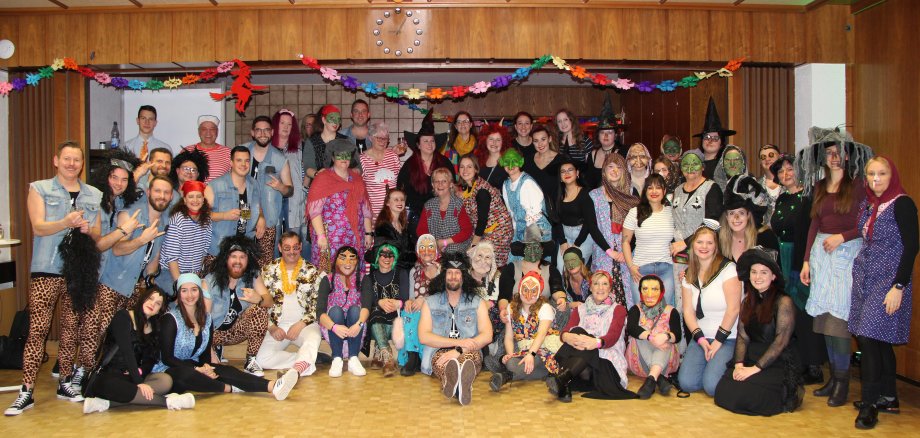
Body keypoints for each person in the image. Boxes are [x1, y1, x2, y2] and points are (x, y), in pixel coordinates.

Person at [5, 142, 104, 416]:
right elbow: (38, 226)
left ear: (82, 164)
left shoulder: (93, 193)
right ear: (56, 161)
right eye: (67, 159)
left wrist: (87, 229)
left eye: (77, 160)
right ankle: (26, 391)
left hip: (78, 270)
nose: (72, 164)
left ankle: (65, 382)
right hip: (46, 269)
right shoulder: (39, 188)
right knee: (37, 330)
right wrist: (66, 222)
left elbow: (96, 233)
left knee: (71, 329)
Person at [798, 127, 871, 408]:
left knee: (839, 322)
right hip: (821, 255)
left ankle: (843, 382)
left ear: (848, 156)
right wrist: (806, 260)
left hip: (847, 254)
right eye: (829, 153)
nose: (834, 158)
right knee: (825, 321)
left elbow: (866, 222)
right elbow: (814, 224)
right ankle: (832, 378)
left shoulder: (859, 185)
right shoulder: (818, 186)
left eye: (839, 153)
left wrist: (844, 237)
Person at [78, 176, 174, 390]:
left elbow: (154, 255)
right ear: (148, 192)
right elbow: (117, 249)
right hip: (111, 283)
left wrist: (150, 279)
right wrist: (142, 239)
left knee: (125, 335)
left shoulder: (164, 219)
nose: (162, 196)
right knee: (97, 329)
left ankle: (111, 376)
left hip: (132, 287)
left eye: (166, 192)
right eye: (157, 191)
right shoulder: (131, 214)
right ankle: (83, 375)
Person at [850, 156, 918, 429]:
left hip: (889, 280)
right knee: (877, 340)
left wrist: (899, 286)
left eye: (882, 173)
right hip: (866, 277)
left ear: (893, 175)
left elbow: (912, 246)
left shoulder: (902, 203)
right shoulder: (869, 203)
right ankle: (888, 396)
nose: (876, 179)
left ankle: (869, 406)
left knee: (867, 337)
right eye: (871, 174)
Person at [152, 274, 299, 399]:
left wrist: (206, 367)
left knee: (226, 370)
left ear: (200, 292)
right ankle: (229, 388)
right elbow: (167, 358)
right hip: (170, 369)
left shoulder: (206, 319)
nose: (190, 295)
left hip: (196, 367)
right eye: (184, 291)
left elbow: (203, 355)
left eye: (194, 290)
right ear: (178, 294)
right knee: (186, 374)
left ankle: (272, 386)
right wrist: (198, 370)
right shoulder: (170, 319)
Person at [715, 247, 804, 416]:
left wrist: (754, 369)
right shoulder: (748, 300)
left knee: (747, 397)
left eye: (764, 273)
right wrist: (739, 365)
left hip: (775, 361)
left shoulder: (784, 302)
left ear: (773, 276)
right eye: (754, 272)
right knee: (723, 392)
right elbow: (742, 336)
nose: (757, 277)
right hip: (751, 357)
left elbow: (780, 342)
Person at [82, 286, 196, 414]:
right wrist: (139, 382)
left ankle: (105, 403)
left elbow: (150, 360)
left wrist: (139, 372)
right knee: (115, 385)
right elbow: (127, 351)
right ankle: (169, 402)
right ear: (143, 299)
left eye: (158, 303)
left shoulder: (153, 328)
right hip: (108, 376)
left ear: (159, 310)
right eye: (150, 298)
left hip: (130, 377)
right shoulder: (123, 316)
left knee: (165, 380)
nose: (152, 304)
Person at [769, 154, 826, 386]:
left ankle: (814, 366)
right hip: (783, 258)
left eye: (789, 169)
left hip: (802, 258)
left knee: (805, 312)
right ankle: (798, 362)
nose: (785, 175)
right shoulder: (782, 199)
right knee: (789, 312)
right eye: (781, 172)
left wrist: (806, 261)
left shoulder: (810, 197)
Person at [418, 252, 492, 406]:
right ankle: (459, 386)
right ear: (443, 276)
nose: (453, 277)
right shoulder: (430, 302)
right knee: (445, 362)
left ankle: (452, 385)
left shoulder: (477, 302)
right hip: (439, 350)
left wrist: (459, 349)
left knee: (467, 362)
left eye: (457, 273)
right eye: (449, 273)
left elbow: (487, 335)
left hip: (468, 350)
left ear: (463, 277)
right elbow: (424, 337)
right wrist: (457, 343)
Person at [548, 271, 634, 402]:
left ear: (610, 288)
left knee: (585, 338)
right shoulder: (580, 309)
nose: (600, 288)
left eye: (604, 284)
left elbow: (613, 337)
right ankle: (563, 381)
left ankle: (562, 378)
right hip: (582, 369)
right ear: (590, 287)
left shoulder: (618, 310)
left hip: (605, 364)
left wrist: (595, 342)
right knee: (577, 330)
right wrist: (566, 337)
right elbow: (565, 331)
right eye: (596, 284)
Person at [678, 225, 742, 397]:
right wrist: (700, 339)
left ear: (716, 246)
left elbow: (734, 308)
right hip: (702, 337)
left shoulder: (729, 270)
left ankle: (730, 366)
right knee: (687, 383)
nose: (704, 247)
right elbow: (688, 311)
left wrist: (718, 341)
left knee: (712, 387)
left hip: (727, 337)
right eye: (699, 242)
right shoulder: (688, 274)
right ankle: (710, 366)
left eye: (709, 243)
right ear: (693, 245)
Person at [255, 231, 327, 377]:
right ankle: (305, 360)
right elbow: (259, 303)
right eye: (287, 248)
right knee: (261, 359)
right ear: (280, 248)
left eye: (295, 247)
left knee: (314, 337)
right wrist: (271, 327)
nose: (292, 252)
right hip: (277, 325)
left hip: (304, 325)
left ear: (301, 247)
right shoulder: (267, 271)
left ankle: (298, 369)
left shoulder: (312, 271)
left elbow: (318, 305)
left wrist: (301, 324)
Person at [205, 235, 272, 376]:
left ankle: (250, 361)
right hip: (213, 333)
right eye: (233, 256)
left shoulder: (252, 276)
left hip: (236, 330)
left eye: (242, 257)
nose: (238, 261)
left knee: (259, 310)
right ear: (226, 259)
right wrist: (209, 350)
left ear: (248, 260)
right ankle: (214, 348)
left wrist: (258, 299)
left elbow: (269, 301)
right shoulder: (210, 281)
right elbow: (202, 321)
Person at [306, 138, 373, 273]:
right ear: (332, 157)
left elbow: (365, 209)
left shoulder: (357, 178)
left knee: (352, 274)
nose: (344, 159)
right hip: (330, 239)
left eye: (347, 155)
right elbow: (314, 211)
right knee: (328, 276)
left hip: (354, 237)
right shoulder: (322, 178)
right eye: (339, 155)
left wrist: (368, 233)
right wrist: (321, 236)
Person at [490, 271, 561, 391]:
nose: (528, 294)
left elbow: (541, 334)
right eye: (525, 289)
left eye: (533, 291)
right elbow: (508, 336)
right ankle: (547, 375)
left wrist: (531, 354)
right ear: (519, 288)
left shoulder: (545, 307)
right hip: (523, 350)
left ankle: (507, 376)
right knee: (511, 363)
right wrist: (510, 354)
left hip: (545, 348)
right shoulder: (511, 307)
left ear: (538, 293)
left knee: (532, 361)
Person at [671, 150, 723, 309]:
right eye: (686, 164)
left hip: (702, 253)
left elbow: (712, 222)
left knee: (699, 298)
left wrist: (686, 242)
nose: (690, 167)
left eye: (695, 163)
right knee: (680, 300)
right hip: (678, 257)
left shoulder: (711, 188)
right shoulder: (677, 190)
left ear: (703, 167)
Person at [588, 153, 638, 307]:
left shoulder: (631, 193)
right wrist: (610, 251)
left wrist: (627, 251)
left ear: (624, 171)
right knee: (604, 293)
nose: (615, 171)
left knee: (630, 292)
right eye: (610, 167)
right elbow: (592, 227)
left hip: (627, 253)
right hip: (604, 251)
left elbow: (637, 225)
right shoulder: (594, 195)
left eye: (619, 167)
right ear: (604, 171)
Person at [203, 146, 265, 270]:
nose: (243, 164)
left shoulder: (254, 184)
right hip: (219, 250)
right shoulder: (215, 185)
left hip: (244, 249)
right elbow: (202, 215)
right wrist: (224, 215)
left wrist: (261, 217)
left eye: (247, 161)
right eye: (239, 160)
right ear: (231, 163)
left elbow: (257, 206)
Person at [317, 246, 373, 377]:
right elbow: (320, 312)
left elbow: (366, 306)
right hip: (333, 327)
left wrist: (359, 324)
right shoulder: (327, 280)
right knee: (336, 310)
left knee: (355, 309)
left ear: (357, 262)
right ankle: (337, 358)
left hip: (356, 326)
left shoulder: (364, 279)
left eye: (352, 259)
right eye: (343, 258)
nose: (347, 263)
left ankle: (353, 358)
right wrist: (334, 327)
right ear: (336, 260)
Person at [622, 174, 676, 307]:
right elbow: (625, 242)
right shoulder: (634, 212)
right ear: (645, 191)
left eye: (658, 188)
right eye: (650, 188)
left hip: (666, 269)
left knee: (665, 313)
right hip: (640, 270)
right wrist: (630, 267)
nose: (654, 191)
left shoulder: (671, 212)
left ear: (664, 191)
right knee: (641, 313)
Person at [247, 115, 294, 266]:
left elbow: (289, 190)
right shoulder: (242, 154)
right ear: (252, 133)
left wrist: (280, 187)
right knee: (242, 260)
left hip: (269, 221)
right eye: (259, 130)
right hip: (243, 215)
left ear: (272, 132)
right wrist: (257, 215)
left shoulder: (279, 158)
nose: (262, 134)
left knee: (265, 265)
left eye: (266, 130)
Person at [626, 274, 681, 400]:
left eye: (654, 289)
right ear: (640, 291)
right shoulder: (635, 309)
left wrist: (666, 336)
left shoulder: (671, 311)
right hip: (638, 361)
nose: (649, 294)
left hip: (667, 362)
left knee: (665, 338)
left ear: (662, 291)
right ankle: (658, 377)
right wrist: (651, 338)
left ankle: (651, 380)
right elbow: (631, 329)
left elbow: (677, 336)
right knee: (642, 332)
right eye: (645, 289)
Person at [398, 111, 453, 234]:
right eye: (426, 141)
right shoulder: (409, 165)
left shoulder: (444, 163)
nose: (430, 144)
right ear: (418, 144)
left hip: (442, 217)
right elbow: (401, 191)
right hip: (416, 219)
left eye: (432, 141)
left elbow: (452, 188)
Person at [363, 241, 410, 377]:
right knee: (376, 315)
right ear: (378, 257)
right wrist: (379, 302)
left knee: (391, 318)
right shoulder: (369, 278)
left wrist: (397, 303)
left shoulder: (401, 274)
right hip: (374, 322)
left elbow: (405, 298)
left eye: (390, 255)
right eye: (383, 255)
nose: (387, 258)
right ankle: (388, 357)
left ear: (394, 258)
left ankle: (379, 350)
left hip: (395, 322)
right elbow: (366, 301)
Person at [457, 155, 513, 266]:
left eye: (469, 167)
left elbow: (482, 221)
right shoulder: (468, 187)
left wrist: (473, 245)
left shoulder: (482, 190)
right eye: (462, 167)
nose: (465, 170)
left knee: (477, 258)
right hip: (484, 231)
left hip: (498, 233)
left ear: (476, 169)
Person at [158, 181, 212, 292]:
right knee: (182, 299)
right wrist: (180, 285)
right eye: (191, 196)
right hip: (170, 272)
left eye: (199, 196)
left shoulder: (207, 221)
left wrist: (195, 277)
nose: (195, 200)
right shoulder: (178, 219)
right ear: (185, 200)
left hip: (191, 274)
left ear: (203, 199)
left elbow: (203, 251)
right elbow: (172, 257)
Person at [398, 234, 441, 375]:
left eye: (430, 247)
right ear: (418, 251)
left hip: (438, 310)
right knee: (409, 311)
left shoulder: (443, 270)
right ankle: (412, 355)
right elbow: (412, 295)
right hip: (417, 311)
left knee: (419, 312)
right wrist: (410, 301)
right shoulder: (414, 271)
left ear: (435, 250)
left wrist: (425, 300)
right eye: (422, 247)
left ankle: (419, 356)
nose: (427, 251)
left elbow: (445, 296)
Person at [271, 109, 309, 258]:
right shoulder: (266, 148)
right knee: (274, 242)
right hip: (272, 203)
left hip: (297, 203)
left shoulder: (301, 148)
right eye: (282, 123)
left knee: (298, 242)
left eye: (290, 124)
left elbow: (307, 175)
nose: (286, 127)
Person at [502, 148, 552, 249]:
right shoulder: (506, 184)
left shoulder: (527, 183)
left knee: (530, 260)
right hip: (520, 229)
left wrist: (527, 241)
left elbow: (534, 215)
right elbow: (511, 212)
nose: (510, 165)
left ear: (520, 162)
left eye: (514, 161)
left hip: (537, 230)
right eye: (507, 162)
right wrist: (515, 232)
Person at [556, 160, 600, 272]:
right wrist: (562, 242)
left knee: (577, 271)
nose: (567, 173)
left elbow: (588, 223)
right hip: (565, 236)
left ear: (577, 173)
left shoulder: (586, 194)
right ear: (560, 177)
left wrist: (577, 244)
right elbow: (556, 220)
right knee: (561, 269)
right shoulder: (558, 194)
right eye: (563, 171)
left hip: (583, 236)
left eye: (570, 170)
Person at [467, 241, 504, 371]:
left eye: (487, 257)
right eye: (480, 256)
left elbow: (493, 299)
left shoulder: (496, 276)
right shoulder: (464, 276)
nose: (483, 261)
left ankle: (487, 349)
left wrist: (483, 306)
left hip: (488, 312)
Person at [418, 168, 473, 254]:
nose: (440, 184)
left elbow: (467, 230)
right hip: (434, 244)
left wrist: (444, 242)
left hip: (457, 244)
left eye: (444, 181)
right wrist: (431, 243)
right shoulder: (428, 205)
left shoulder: (459, 204)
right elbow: (421, 230)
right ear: (433, 185)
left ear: (450, 184)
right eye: (437, 181)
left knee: (451, 251)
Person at [714, 145, 771, 226]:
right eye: (727, 160)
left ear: (743, 163)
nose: (732, 164)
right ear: (722, 164)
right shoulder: (714, 187)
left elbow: (761, 215)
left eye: (736, 160)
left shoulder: (752, 185)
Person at [360, 120, 403, 219]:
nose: (383, 141)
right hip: (373, 214)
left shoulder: (393, 156)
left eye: (385, 138)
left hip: (394, 213)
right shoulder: (362, 159)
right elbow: (359, 188)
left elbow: (400, 182)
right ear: (371, 138)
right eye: (379, 138)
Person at [718, 195, 779, 262]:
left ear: (748, 215)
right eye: (732, 213)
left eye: (741, 213)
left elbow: (776, 269)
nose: (736, 217)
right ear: (727, 217)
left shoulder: (765, 237)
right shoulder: (719, 241)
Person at [372, 188, 415, 270]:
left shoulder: (403, 225)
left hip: (404, 270)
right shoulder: (382, 226)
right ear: (388, 203)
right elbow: (387, 254)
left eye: (402, 199)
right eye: (396, 200)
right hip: (390, 271)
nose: (400, 202)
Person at [523, 124, 566, 206]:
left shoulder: (561, 160)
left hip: (556, 208)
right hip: (533, 209)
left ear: (549, 139)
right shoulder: (527, 161)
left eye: (543, 139)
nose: (540, 144)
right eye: (536, 141)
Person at [692, 98, 734, 179]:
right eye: (707, 137)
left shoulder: (725, 165)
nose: (710, 140)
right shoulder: (693, 163)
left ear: (721, 143)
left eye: (715, 138)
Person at [303, 104, 348, 179]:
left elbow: (352, 165)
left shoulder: (345, 141)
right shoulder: (312, 142)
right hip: (319, 185)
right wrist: (317, 174)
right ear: (324, 120)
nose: (336, 122)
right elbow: (308, 167)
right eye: (332, 118)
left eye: (338, 119)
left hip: (341, 184)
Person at [185, 115, 230, 182]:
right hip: (194, 192)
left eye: (212, 129)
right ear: (199, 132)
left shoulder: (228, 152)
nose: (208, 133)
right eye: (204, 129)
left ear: (217, 132)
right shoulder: (187, 151)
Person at [583, 116, 620, 189]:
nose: (605, 135)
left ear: (615, 135)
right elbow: (588, 182)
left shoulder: (621, 153)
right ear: (598, 135)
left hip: (616, 196)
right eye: (602, 132)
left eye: (609, 132)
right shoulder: (593, 154)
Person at [474, 122, 512, 189]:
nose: (494, 143)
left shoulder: (509, 162)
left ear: (503, 142)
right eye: (491, 139)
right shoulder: (478, 160)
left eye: (498, 140)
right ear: (485, 141)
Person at [758, 144, 783, 224]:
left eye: (771, 155)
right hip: (762, 233)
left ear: (779, 158)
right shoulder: (754, 185)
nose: (767, 159)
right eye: (763, 157)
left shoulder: (789, 182)